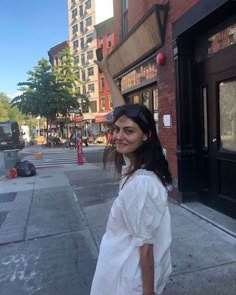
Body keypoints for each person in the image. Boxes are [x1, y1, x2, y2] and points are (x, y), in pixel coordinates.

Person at [90, 51, 172, 295]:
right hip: (121, 269)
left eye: (128, 131)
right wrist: (106, 71)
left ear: (145, 136)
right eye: (117, 130)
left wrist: (148, 292)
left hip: (127, 280)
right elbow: (121, 110)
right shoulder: (140, 162)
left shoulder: (141, 184)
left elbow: (145, 247)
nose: (118, 136)